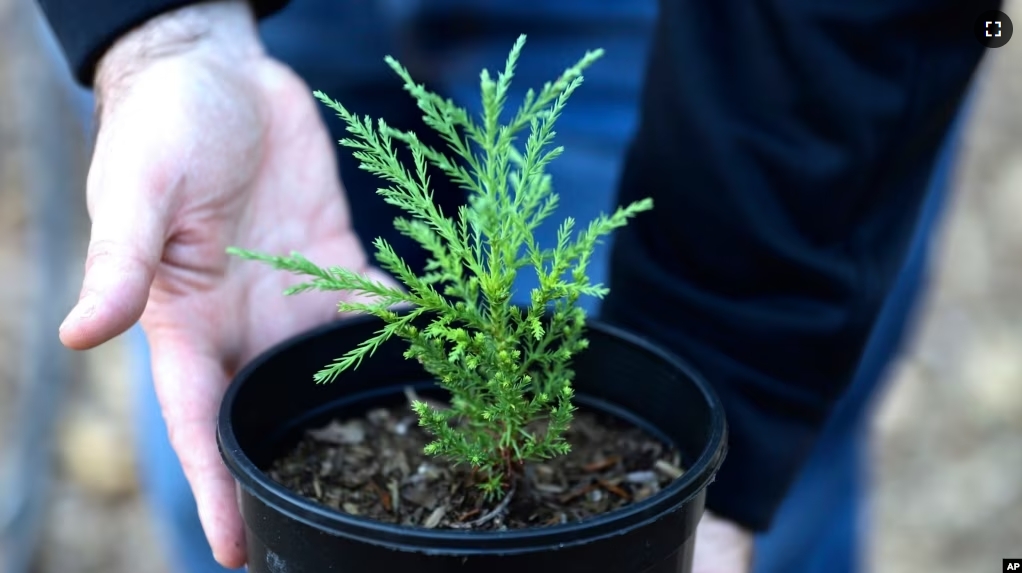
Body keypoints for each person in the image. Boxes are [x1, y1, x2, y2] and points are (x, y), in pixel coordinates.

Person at [35, 0, 997, 571]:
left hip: (715, 36)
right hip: (260, 17)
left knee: (750, 490)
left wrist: (733, 346)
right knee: (223, 463)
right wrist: (160, 29)